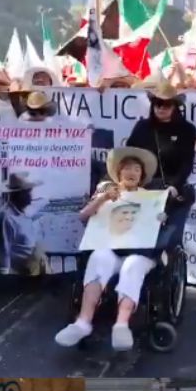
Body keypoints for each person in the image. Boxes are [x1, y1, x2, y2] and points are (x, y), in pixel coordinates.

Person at [55, 146, 168, 351]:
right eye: (127, 168)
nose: (131, 172)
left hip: (139, 254)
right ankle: (83, 322)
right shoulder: (105, 191)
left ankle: (122, 324)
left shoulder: (151, 198)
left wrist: (161, 217)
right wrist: (103, 199)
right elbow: (83, 216)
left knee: (132, 265)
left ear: (142, 175)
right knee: (99, 258)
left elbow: (159, 226)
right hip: (111, 250)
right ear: (118, 173)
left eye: (136, 169)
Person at [126, 79, 196, 252]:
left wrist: (175, 186)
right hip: (143, 191)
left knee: (169, 243)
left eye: (166, 105)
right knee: (139, 242)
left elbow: (187, 162)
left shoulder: (187, 130)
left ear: (175, 107)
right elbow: (129, 156)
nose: (161, 108)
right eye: (157, 104)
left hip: (173, 192)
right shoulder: (142, 127)